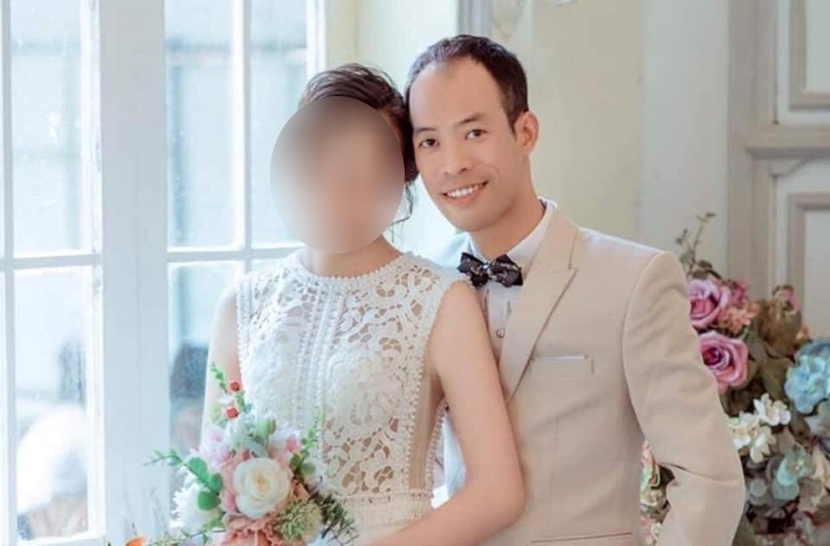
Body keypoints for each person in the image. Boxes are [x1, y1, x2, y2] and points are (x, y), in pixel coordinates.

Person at [406, 35, 746, 546]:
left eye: (474, 132)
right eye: (429, 142)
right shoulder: (421, 286)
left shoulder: (634, 281)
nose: (452, 164)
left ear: (525, 132)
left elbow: (710, 480)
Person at [205, 63, 524, 546]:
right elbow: (213, 486)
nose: (337, 184)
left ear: (400, 178)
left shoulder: (440, 299)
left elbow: (498, 492)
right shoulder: (242, 305)